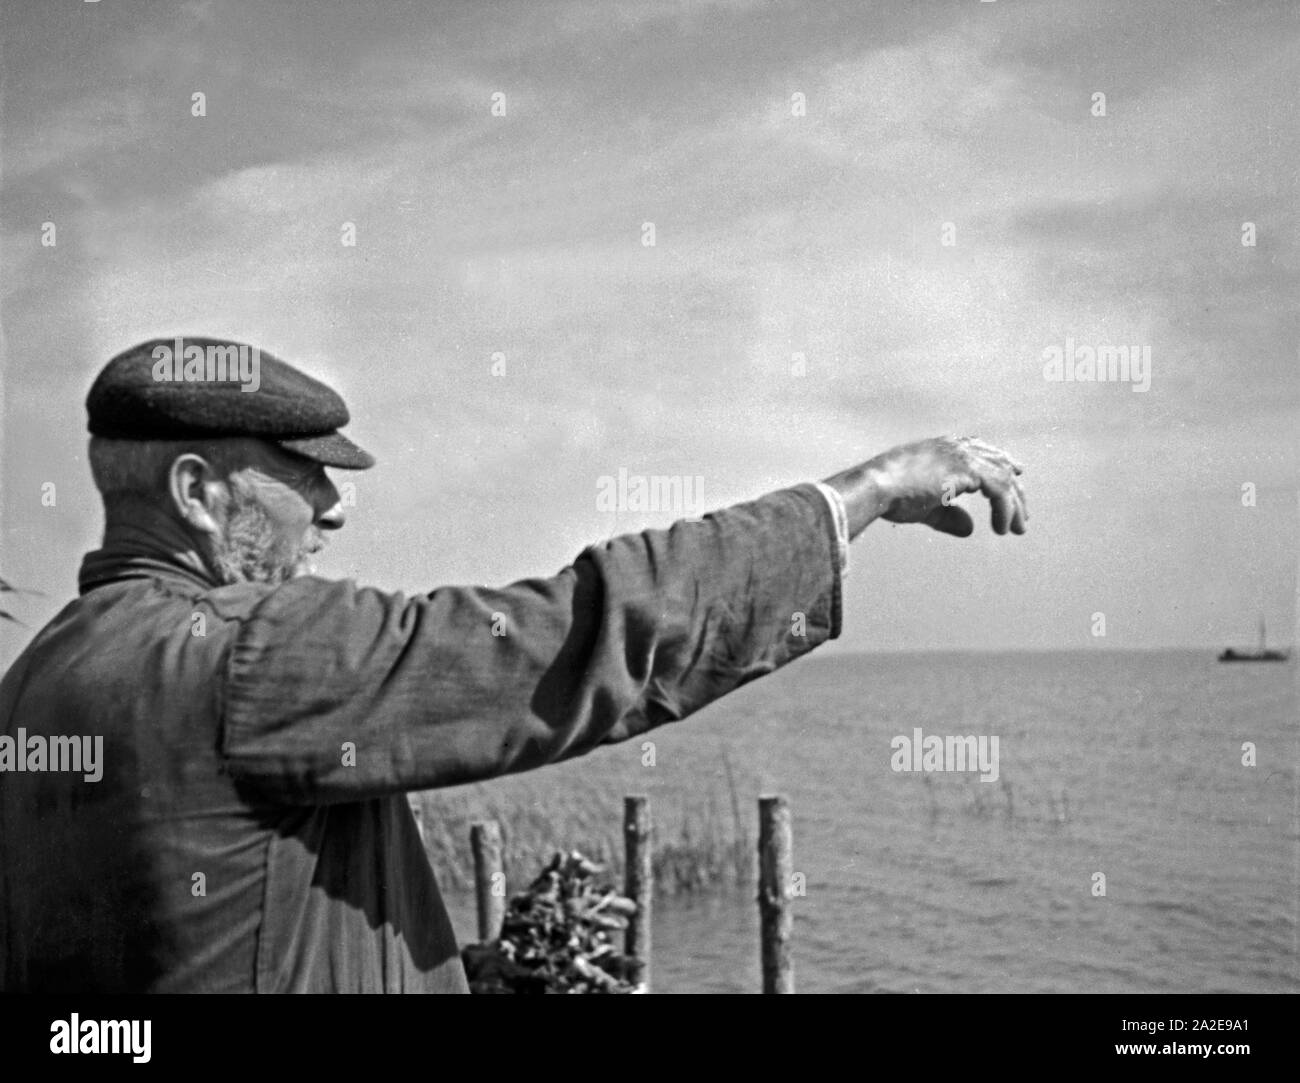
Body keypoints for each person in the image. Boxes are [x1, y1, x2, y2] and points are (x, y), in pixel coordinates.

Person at [0, 336, 1027, 992]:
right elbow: (570, 634)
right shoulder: (247, 652)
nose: (335, 506)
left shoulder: (39, 677)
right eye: (303, 475)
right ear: (197, 491)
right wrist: (861, 494)